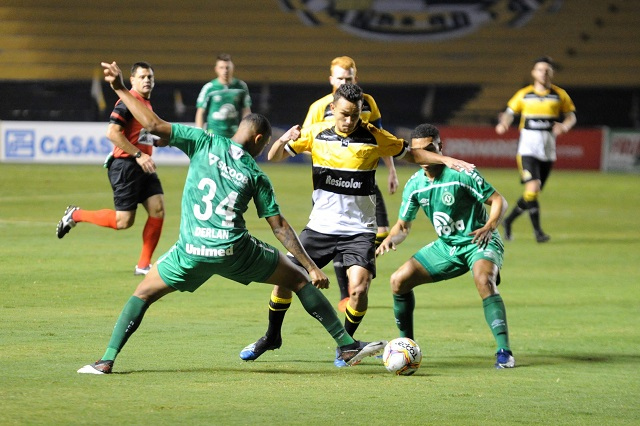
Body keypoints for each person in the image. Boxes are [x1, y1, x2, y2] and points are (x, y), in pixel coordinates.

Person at [77, 62, 387, 375]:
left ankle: (106, 360)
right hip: (234, 250)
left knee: (142, 294)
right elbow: (279, 226)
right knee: (295, 279)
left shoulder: (202, 142)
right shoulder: (255, 174)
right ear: (259, 139)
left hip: (191, 251)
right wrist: (309, 268)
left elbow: (154, 125)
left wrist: (119, 88)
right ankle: (346, 344)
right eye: (265, 144)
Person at [240, 83, 475, 367]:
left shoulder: (375, 136)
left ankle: (346, 347)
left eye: (355, 114)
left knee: (359, 289)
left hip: (359, 230)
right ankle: (271, 336)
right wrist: (282, 141)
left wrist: (444, 158)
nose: (349, 120)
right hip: (320, 228)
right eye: (344, 114)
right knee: (283, 281)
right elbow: (275, 156)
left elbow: (413, 155)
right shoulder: (315, 133)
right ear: (333, 109)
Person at [376, 123, 515, 369]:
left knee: (484, 281)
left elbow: (498, 200)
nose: (425, 156)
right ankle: (406, 344)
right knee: (398, 281)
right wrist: (390, 239)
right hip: (446, 247)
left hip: (478, 240)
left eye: (430, 148)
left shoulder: (461, 173)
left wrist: (490, 226)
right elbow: (403, 227)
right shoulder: (415, 184)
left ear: (441, 147)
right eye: (419, 151)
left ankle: (504, 351)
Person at [303, 55, 398, 313]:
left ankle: (358, 271)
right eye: (340, 78)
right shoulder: (319, 107)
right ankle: (347, 290)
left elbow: (383, 139)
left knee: (381, 231)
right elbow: (305, 142)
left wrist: (391, 171)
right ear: (331, 79)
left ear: (355, 77)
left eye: (349, 77)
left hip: (364, 177)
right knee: (337, 232)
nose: (344, 81)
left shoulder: (368, 103)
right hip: (333, 181)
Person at [56, 61, 165, 275]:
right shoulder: (127, 102)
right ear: (132, 80)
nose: (147, 80)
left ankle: (143, 265)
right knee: (123, 221)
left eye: (150, 77)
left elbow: (138, 133)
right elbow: (112, 133)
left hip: (143, 165)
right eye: (142, 77)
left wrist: (154, 141)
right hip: (126, 166)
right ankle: (76, 215)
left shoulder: (144, 103)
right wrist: (139, 154)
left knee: (158, 209)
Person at [495, 56, 576, 243]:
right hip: (527, 150)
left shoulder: (559, 95)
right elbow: (508, 113)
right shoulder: (524, 94)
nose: (543, 73)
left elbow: (571, 116)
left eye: (547, 70)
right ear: (533, 73)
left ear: (552, 73)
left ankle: (508, 222)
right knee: (533, 188)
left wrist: (564, 126)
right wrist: (504, 124)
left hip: (548, 151)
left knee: (532, 194)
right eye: (540, 69)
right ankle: (538, 233)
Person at [195, 53, 252, 137]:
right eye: (221, 68)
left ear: (233, 68)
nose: (225, 71)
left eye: (227, 67)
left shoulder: (241, 87)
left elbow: (246, 111)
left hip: (234, 135)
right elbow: (200, 112)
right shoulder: (209, 88)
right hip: (213, 135)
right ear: (216, 69)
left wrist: (245, 130)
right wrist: (199, 133)